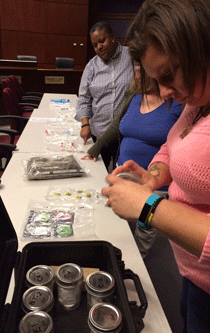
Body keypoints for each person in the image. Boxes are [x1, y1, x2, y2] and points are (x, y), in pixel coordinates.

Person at [101, 0, 210, 332]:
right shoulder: (198, 101)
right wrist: (154, 176)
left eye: (168, 75)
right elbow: (172, 144)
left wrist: (148, 206)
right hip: (194, 274)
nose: (165, 92)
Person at [81, 64, 183, 258]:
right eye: (135, 70)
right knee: (117, 219)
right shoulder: (134, 97)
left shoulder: (178, 104)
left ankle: (139, 255)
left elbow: (176, 146)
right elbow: (116, 125)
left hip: (155, 181)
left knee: (145, 224)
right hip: (124, 170)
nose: (136, 75)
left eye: (140, 71)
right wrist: (96, 148)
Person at [75, 21, 133, 172]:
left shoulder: (132, 57)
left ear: (112, 37)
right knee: (99, 175)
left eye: (102, 41)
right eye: (95, 45)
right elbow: (83, 98)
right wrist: (85, 124)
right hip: (99, 132)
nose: (99, 47)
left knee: (123, 174)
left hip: (125, 133)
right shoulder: (91, 66)